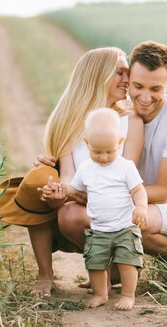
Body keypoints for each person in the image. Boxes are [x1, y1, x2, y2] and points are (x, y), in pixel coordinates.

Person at [40, 40, 167, 266]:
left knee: (124, 218)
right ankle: (113, 269)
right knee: (76, 216)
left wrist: (99, 193)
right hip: (134, 198)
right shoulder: (119, 115)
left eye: (155, 89)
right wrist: (52, 164)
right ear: (128, 80)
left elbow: (163, 192)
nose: (144, 97)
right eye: (138, 86)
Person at [0, 47, 144, 298]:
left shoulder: (132, 120)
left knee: (71, 214)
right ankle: (46, 275)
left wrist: (92, 193)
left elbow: (127, 172)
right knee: (38, 189)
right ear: (98, 75)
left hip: (114, 202)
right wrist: (59, 191)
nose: (126, 80)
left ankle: (111, 268)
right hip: (79, 199)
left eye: (127, 73)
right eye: (119, 73)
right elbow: (67, 173)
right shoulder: (70, 120)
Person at [41, 108, 148, 310]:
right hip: (98, 229)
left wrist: (141, 207)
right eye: (97, 152)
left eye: (110, 151)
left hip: (125, 227)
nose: (104, 157)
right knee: (95, 264)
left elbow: (138, 190)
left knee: (128, 262)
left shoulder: (125, 167)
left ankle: (127, 295)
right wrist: (59, 189)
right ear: (87, 143)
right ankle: (101, 294)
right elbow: (74, 188)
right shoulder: (86, 168)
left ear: (119, 142)